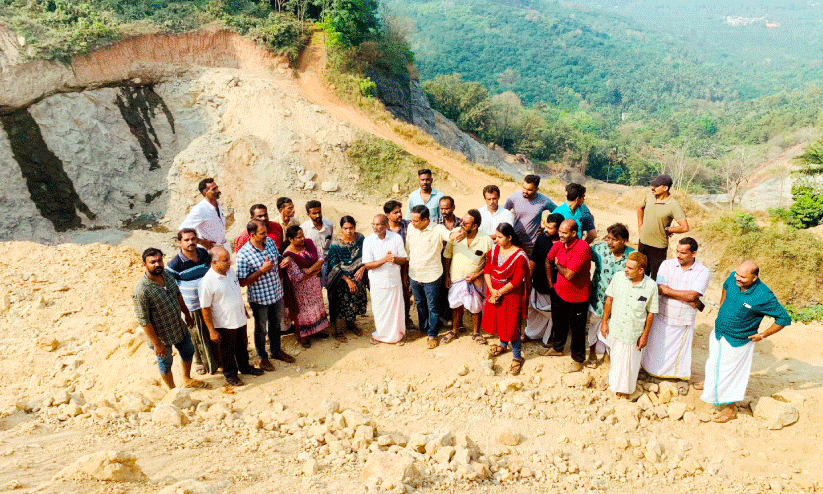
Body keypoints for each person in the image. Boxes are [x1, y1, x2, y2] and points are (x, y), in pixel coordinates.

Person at [700, 261, 791, 423]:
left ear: (754, 278)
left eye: (743, 277)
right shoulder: (733, 279)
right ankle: (711, 384)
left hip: (738, 341)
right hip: (719, 332)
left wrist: (762, 335)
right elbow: (726, 286)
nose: (738, 278)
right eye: (737, 274)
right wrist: (722, 305)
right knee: (713, 362)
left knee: (732, 375)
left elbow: (783, 318)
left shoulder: (763, 295)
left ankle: (730, 409)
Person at [133, 248, 205, 389]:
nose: (157, 264)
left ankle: (187, 378)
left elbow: (178, 295)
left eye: (159, 260)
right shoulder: (142, 290)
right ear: (144, 264)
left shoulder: (166, 275)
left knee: (188, 351)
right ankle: (172, 390)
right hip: (161, 336)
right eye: (152, 262)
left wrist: (187, 315)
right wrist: (157, 343)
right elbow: (144, 320)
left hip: (178, 326)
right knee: (165, 363)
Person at [641, 237, 710, 383]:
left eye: (683, 253)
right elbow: (659, 289)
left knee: (679, 352)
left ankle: (678, 378)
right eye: (677, 251)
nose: (678, 255)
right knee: (655, 347)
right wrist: (685, 296)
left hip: (683, 318)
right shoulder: (667, 264)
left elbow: (692, 295)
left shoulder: (702, 271)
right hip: (662, 314)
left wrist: (670, 291)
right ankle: (649, 372)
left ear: (694, 254)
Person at [199, 246, 264, 387]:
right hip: (224, 323)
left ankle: (245, 367)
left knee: (242, 346)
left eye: (229, 259)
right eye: (225, 260)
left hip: (239, 318)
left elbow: (235, 292)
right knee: (227, 351)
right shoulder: (207, 282)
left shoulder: (230, 272)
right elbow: (205, 308)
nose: (230, 262)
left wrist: (243, 310)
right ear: (214, 262)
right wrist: (211, 330)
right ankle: (231, 375)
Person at [236, 220, 295, 372]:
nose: (266, 235)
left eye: (266, 232)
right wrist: (262, 270)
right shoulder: (243, 254)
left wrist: (284, 260)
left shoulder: (269, 242)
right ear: (252, 235)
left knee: (275, 324)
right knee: (261, 329)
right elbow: (242, 281)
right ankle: (262, 357)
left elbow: (278, 256)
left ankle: (276, 351)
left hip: (276, 293)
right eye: (262, 233)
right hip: (260, 299)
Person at [600, 252, 659, 396]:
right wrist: (604, 322)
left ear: (641, 270)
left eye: (630, 268)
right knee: (615, 358)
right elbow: (609, 300)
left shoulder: (651, 286)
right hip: (616, 328)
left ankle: (625, 390)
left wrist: (645, 335)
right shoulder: (618, 277)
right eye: (625, 266)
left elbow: (651, 313)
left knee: (630, 364)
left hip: (633, 332)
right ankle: (612, 381)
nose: (625, 270)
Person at [166, 229, 217, 375]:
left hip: (209, 302)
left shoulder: (203, 253)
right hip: (192, 306)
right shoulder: (174, 265)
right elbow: (170, 287)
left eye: (193, 239)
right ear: (179, 242)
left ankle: (215, 358)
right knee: (196, 334)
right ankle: (199, 361)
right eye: (186, 240)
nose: (191, 242)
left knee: (211, 330)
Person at [544, 219, 592, 372]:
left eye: (564, 233)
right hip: (559, 292)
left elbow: (570, 275)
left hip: (578, 296)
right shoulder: (559, 244)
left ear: (574, 233)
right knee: (558, 322)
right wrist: (551, 285)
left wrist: (557, 265)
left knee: (577, 329)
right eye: (559, 232)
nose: (560, 235)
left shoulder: (582, 247)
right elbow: (548, 260)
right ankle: (557, 348)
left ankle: (578, 359)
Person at [483, 223, 530, 376]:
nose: (496, 240)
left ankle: (517, 356)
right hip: (494, 291)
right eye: (496, 236)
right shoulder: (495, 251)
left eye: (499, 237)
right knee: (499, 320)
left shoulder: (519, 256)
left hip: (511, 295)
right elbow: (487, 270)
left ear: (509, 238)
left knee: (511, 325)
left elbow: (517, 281)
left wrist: (498, 293)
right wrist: (492, 290)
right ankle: (503, 345)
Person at [442, 209, 494, 344]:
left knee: (476, 307)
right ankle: (454, 331)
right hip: (456, 277)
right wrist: (447, 276)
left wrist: (477, 275)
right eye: (462, 221)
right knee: (455, 305)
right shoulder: (455, 234)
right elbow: (447, 256)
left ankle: (476, 333)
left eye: (466, 223)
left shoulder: (486, 240)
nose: (461, 224)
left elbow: (491, 263)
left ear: (475, 226)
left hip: (476, 281)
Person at [587, 223, 635, 366]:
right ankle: (592, 354)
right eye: (608, 238)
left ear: (624, 241)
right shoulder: (599, 249)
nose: (610, 242)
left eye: (614, 239)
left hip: (618, 302)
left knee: (612, 329)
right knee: (593, 325)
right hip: (598, 298)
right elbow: (582, 253)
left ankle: (607, 356)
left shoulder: (632, 256)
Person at [406, 205, 452, 349]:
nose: (413, 223)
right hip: (415, 275)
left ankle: (432, 334)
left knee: (433, 307)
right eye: (412, 220)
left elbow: (449, 235)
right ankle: (423, 329)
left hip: (432, 276)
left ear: (426, 220)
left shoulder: (437, 229)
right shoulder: (411, 227)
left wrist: (456, 234)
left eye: (416, 221)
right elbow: (408, 249)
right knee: (420, 304)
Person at [282, 225, 330, 348]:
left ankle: (316, 330)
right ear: (291, 239)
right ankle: (303, 336)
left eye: (303, 235)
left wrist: (310, 270)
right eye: (299, 237)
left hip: (314, 286)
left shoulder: (308, 243)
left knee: (316, 308)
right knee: (303, 313)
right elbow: (297, 277)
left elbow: (321, 257)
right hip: (301, 290)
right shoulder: (288, 255)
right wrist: (315, 271)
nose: (303, 238)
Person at [363, 214, 408, 344]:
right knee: (380, 311)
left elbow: (403, 259)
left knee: (395, 311)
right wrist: (384, 260)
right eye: (373, 224)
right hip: (377, 283)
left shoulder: (396, 238)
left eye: (378, 224)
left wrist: (394, 259)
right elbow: (367, 265)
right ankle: (382, 335)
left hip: (393, 281)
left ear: (386, 226)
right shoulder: (368, 241)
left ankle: (397, 336)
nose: (375, 227)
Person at [637, 174, 690, 279]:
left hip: (658, 248)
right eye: (653, 185)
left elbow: (684, 227)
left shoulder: (673, 205)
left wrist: (669, 229)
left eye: (656, 186)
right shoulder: (649, 196)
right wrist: (640, 226)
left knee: (656, 278)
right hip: (643, 243)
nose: (653, 188)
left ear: (665, 188)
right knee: (640, 275)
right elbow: (640, 208)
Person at [325, 216, 369, 342]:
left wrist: (362, 269)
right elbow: (333, 265)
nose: (349, 231)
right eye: (345, 228)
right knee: (341, 304)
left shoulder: (360, 239)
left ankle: (351, 324)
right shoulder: (335, 244)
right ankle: (338, 331)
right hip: (341, 278)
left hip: (357, 275)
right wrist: (348, 280)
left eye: (351, 228)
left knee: (355, 301)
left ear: (355, 227)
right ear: (341, 229)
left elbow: (367, 256)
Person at [524, 212, 564, 346]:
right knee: (533, 311)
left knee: (555, 314)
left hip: (557, 287)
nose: (546, 230)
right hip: (538, 284)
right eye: (546, 226)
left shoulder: (565, 243)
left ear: (559, 229)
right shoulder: (542, 238)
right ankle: (530, 333)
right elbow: (534, 259)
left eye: (550, 228)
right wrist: (528, 279)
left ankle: (550, 338)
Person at [504, 174, 556, 257]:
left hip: (532, 245)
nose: (525, 191)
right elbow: (503, 213)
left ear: (536, 189)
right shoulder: (513, 198)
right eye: (524, 187)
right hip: (514, 242)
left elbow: (558, 213)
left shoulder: (544, 201)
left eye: (529, 190)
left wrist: (546, 228)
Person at [385, 200, 414, 329]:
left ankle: (406, 320)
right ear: (387, 215)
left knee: (406, 293)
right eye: (395, 212)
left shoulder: (408, 225)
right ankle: (393, 323)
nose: (399, 214)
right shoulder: (384, 228)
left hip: (407, 264)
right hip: (389, 266)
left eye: (400, 211)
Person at [179, 178, 227, 249]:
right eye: (214, 189)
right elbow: (181, 231)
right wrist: (201, 242)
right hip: (209, 250)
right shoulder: (200, 209)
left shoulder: (217, 203)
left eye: (217, 188)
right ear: (205, 193)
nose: (218, 191)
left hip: (223, 246)